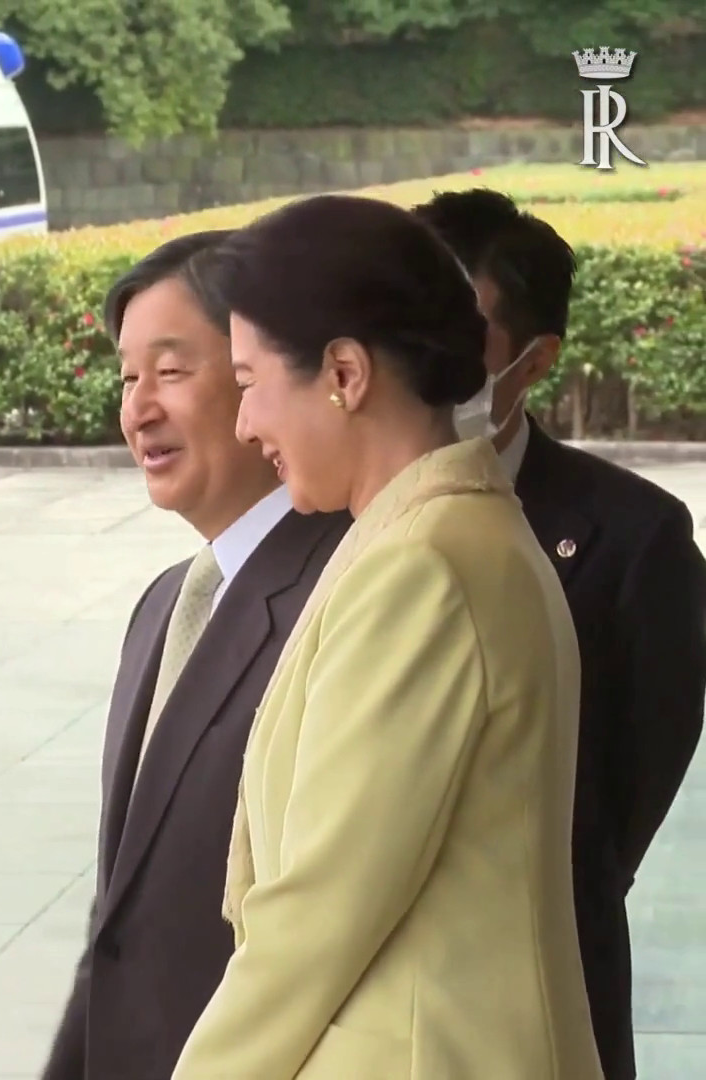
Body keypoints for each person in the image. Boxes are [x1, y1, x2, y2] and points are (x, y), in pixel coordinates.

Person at [172, 193, 603, 1079]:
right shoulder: (430, 536)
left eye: (249, 383)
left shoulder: (423, 568)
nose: (246, 425)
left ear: (344, 372)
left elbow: (319, 914)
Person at [41, 231, 349, 1080]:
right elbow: (118, 924)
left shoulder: (348, 595)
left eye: (171, 371)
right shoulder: (163, 606)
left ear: (261, 375)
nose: (138, 409)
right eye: (126, 378)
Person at [415, 188, 706, 1080]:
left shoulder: (634, 538)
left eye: (458, 339)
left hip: (538, 989)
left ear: (535, 359)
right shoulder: (316, 517)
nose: (420, 363)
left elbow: (625, 797)